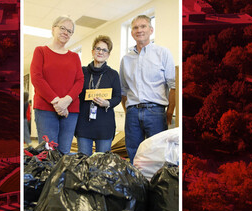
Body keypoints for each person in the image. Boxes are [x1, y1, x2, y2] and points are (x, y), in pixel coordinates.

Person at [119, 15, 176, 163]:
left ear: (151, 30)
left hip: (156, 112)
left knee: (158, 153)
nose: (139, 30)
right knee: (133, 152)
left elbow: (173, 86)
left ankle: (155, 186)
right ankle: (137, 184)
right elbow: (123, 90)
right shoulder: (126, 60)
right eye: (135, 28)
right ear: (132, 33)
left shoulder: (163, 53)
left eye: (143, 26)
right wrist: (128, 111)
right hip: (132, 113)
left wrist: (169, 112)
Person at [30, 16, 84, 154]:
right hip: (45, 109)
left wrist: (66, 101)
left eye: (70, 31)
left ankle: (63, 177)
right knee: (48, 152)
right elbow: (37, 78)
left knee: (65, 151)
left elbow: (80, 81)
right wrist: (57, 102)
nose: (66, 32)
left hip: (70, 111)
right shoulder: (40, 51)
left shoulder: (74, 57)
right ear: (53, 29)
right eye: (62, 28)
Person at [75, 35, 121, 156]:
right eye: (97, 48)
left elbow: (118, 96)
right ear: (92, 51)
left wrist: (108, 103)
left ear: (108, 54)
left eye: (104, 50)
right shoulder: (82, 72)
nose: (100, 52)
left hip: (104, 125)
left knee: (102, 165)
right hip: (84, 123)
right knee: (83, 163)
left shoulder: (113, 74)